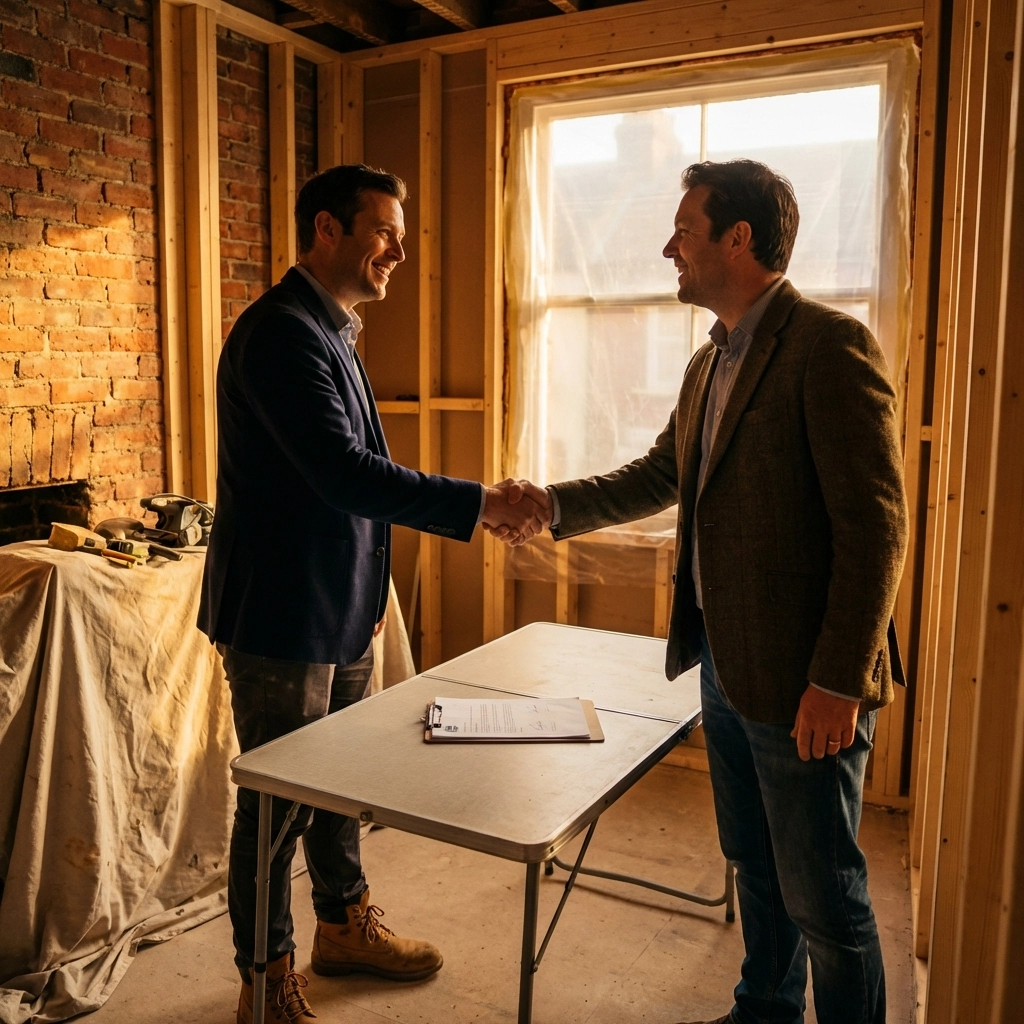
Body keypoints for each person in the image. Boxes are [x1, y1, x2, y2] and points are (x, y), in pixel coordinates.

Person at [503, 159, 908, 1024]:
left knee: (826, 897)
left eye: (683, 231)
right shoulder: (708, 362)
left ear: (739, 238)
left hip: (809, 682)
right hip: (724, 666)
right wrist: (553, 505)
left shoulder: (829, 347)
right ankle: (764, 1008)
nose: (667, 248)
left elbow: (877, 529)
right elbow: (662, 473)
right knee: (755, 866)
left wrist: (839, 679)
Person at [198, 164, 546, 1024]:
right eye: (384, 230)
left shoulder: (332, 330)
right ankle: (264, 977)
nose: (398, 248)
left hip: (342, 603)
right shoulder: (279, 334)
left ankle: (344, 925)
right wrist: (480, 504)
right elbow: (343, 473)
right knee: (277, 801)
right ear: (327, 230)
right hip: (284, 613)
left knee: (339, 782)